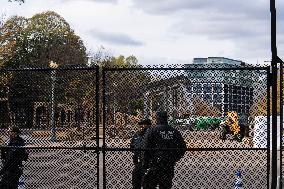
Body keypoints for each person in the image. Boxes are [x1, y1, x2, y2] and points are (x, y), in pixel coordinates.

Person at [142, 111, 186, 189]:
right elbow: (183, 147)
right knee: (166, 185)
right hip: (168, 164)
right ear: (166, 118)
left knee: (149, 185)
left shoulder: (152, 130)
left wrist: (145, 163)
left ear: (157, 118)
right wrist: (174, 158)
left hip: (154, 163)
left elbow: (145, 147)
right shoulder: (174, 131)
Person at [130, 118, 152, 189]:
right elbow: (132, 145)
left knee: (147, 182)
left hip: (150, 162)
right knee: (136, 178)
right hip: (140, 162)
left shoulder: (152, 134)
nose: (141, 126)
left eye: (143, 124)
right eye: (140, 124)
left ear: (149, 125)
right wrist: (135, 155)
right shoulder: (137, 134)